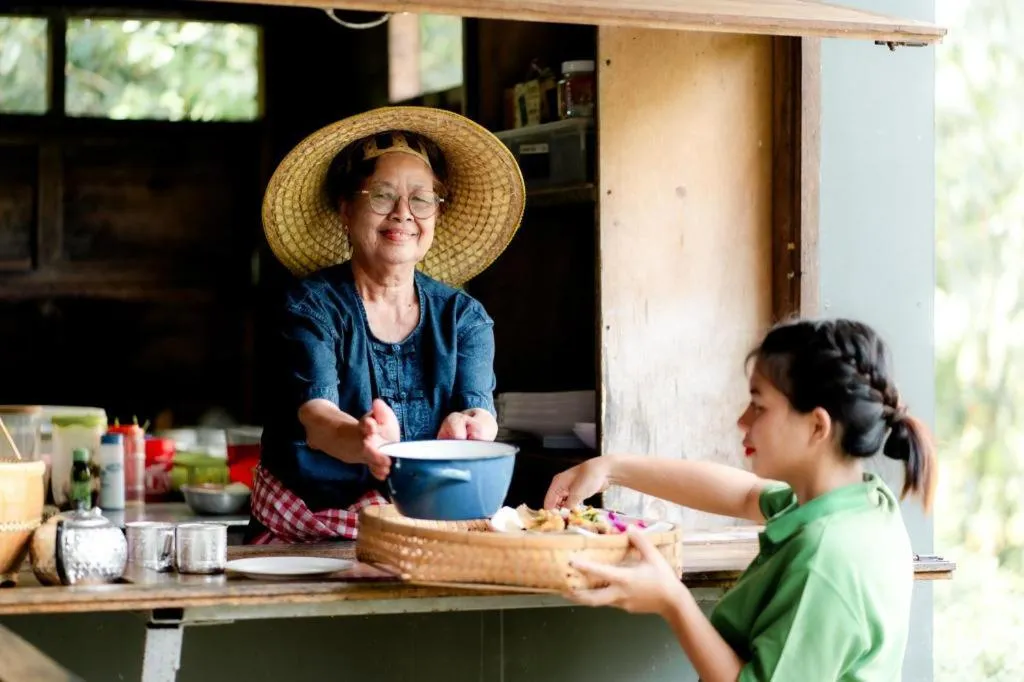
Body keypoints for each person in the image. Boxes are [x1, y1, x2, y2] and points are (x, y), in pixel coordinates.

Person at [544, 318, 937, 681]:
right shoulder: (860, 504)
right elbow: (745, 493)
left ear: (817, 425)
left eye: (759, 406)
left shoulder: (826, 559)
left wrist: (673, 601)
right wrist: (610, 468)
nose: (742, 420)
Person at [247, 107, 526, 544]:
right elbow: (318, 421)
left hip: (424, 532)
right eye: (381, 195)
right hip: (305, 535)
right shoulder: (310, 306)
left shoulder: (464, 317)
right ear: (344, 208)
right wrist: (364, 439)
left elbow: (480, 412)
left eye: (421, 199)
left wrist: (471, 429)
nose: (403, 214)